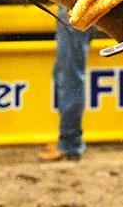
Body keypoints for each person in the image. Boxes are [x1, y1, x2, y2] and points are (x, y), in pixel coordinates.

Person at [37, 11, 95, 162]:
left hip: (75, 5)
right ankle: (69, 141)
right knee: (67, 74)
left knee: (69, 75)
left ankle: (70, 143)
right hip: (79, 4)